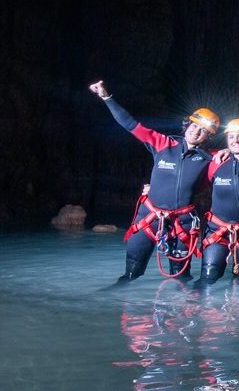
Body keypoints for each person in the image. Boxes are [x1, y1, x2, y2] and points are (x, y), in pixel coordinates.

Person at [90, 80, 216, 287]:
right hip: (149, 217)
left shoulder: (210, 158)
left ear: (209, 136)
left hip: (182, 222)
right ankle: (119, 296)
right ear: (187, 125)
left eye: (203, 130)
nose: (196, 131)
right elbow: (130, 124)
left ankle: (186, 311)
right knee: (131, 273)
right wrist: (106, 97)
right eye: (194, 126)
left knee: (181, 278)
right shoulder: (163, 143)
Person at [195, 118, 239, 288]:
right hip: (217, 231)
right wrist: (152, 190)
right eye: (231, 137)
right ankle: (198, 310)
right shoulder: (216, 161)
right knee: (208, 278)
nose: (235, 140)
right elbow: (184, 167)